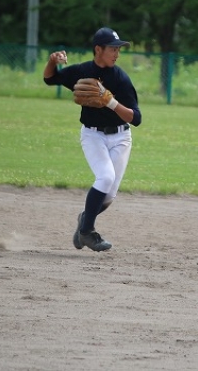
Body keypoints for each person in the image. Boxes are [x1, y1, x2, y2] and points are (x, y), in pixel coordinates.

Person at [43, 27, 142, 252]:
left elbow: (136, 118)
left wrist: (110, 102)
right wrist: (52, 61)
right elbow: (50, 78)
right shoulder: (82, 71)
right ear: (98, 49)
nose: (117, 53)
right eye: (113, 49)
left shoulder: (120, 79)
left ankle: (84, 220)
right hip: (93, 135)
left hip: (121, 137)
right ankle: (87, 232)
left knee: (108, 196)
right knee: (105, 177)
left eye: (118, 49)